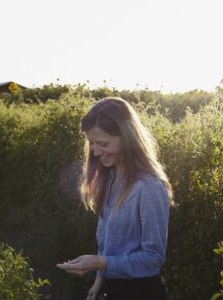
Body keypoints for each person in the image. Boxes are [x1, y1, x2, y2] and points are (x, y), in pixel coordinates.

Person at [57, 97, 173, 300]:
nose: (95, 151)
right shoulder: (109, 178)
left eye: (102, 143)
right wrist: (99, 280)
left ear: (127, 138)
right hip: (113, 289)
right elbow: (109, 244)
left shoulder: (149, 188)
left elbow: (153, 258)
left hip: (142, 293)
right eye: (92, 143)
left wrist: (98, 263)